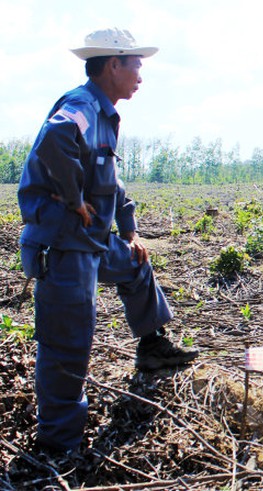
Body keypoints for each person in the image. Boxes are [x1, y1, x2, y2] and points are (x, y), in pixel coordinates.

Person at [17, 28, 199, 453]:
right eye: (136, 65)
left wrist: (129, 230)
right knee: (69, 342)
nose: (140, 75)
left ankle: (152, 348)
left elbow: (113, 185)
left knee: (136, 264)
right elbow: (53, 139)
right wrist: (76, 199)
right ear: (112, 65)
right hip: (64, 247)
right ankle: (59, 445)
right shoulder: (80, 106)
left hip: (93, 242)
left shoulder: (106, 116)